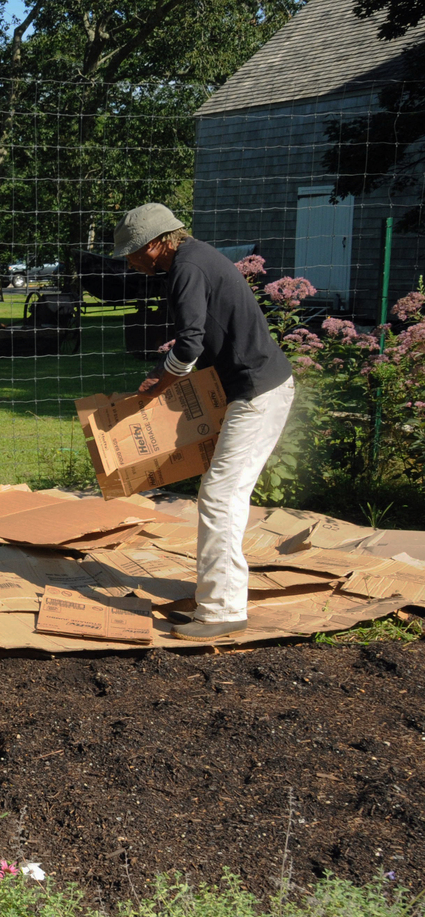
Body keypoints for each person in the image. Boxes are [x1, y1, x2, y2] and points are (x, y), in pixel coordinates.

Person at [114, 202, 295, 642]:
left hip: (257, 392)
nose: (132, 262)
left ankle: (221, 611)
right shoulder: (195, 258)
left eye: (134, 252)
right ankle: (216, 596)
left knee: (219, 496)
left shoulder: (186, 268)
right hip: (251, 389)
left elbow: (190, 345)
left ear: (157, 244)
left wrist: (159, 383)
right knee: (222, 494)